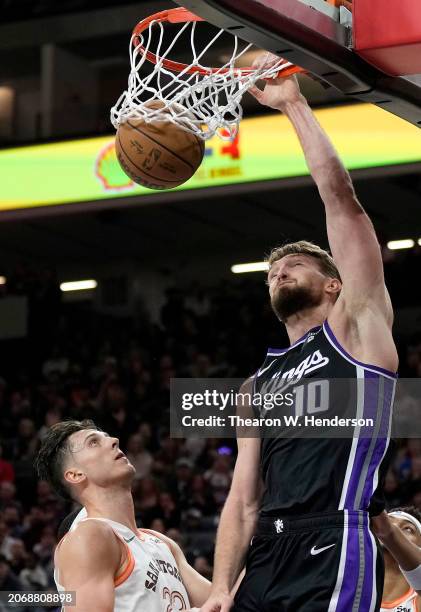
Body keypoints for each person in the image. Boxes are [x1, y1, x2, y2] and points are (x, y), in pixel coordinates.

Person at [201, 69, 398, 611]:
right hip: (265, 556)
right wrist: (221, 587)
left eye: (295, 265)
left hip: (332, 540)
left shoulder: (356, 326)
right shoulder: (254, 386)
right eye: (272, 272)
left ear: (334, 283)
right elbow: (243, 500)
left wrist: (292, 106)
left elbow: (342, 203)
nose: (279, 273)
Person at [35, 420, 210, 612]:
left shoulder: (161, 542)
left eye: (107, 437)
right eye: (93, 442)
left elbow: (221, 603)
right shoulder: (90, 536)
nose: (114, 441)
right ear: (75, 474)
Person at [371, 507, 421, 610]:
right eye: (389, 523)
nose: (394, 528)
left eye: (408, 529)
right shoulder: (346, 580)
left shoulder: (417, 601)